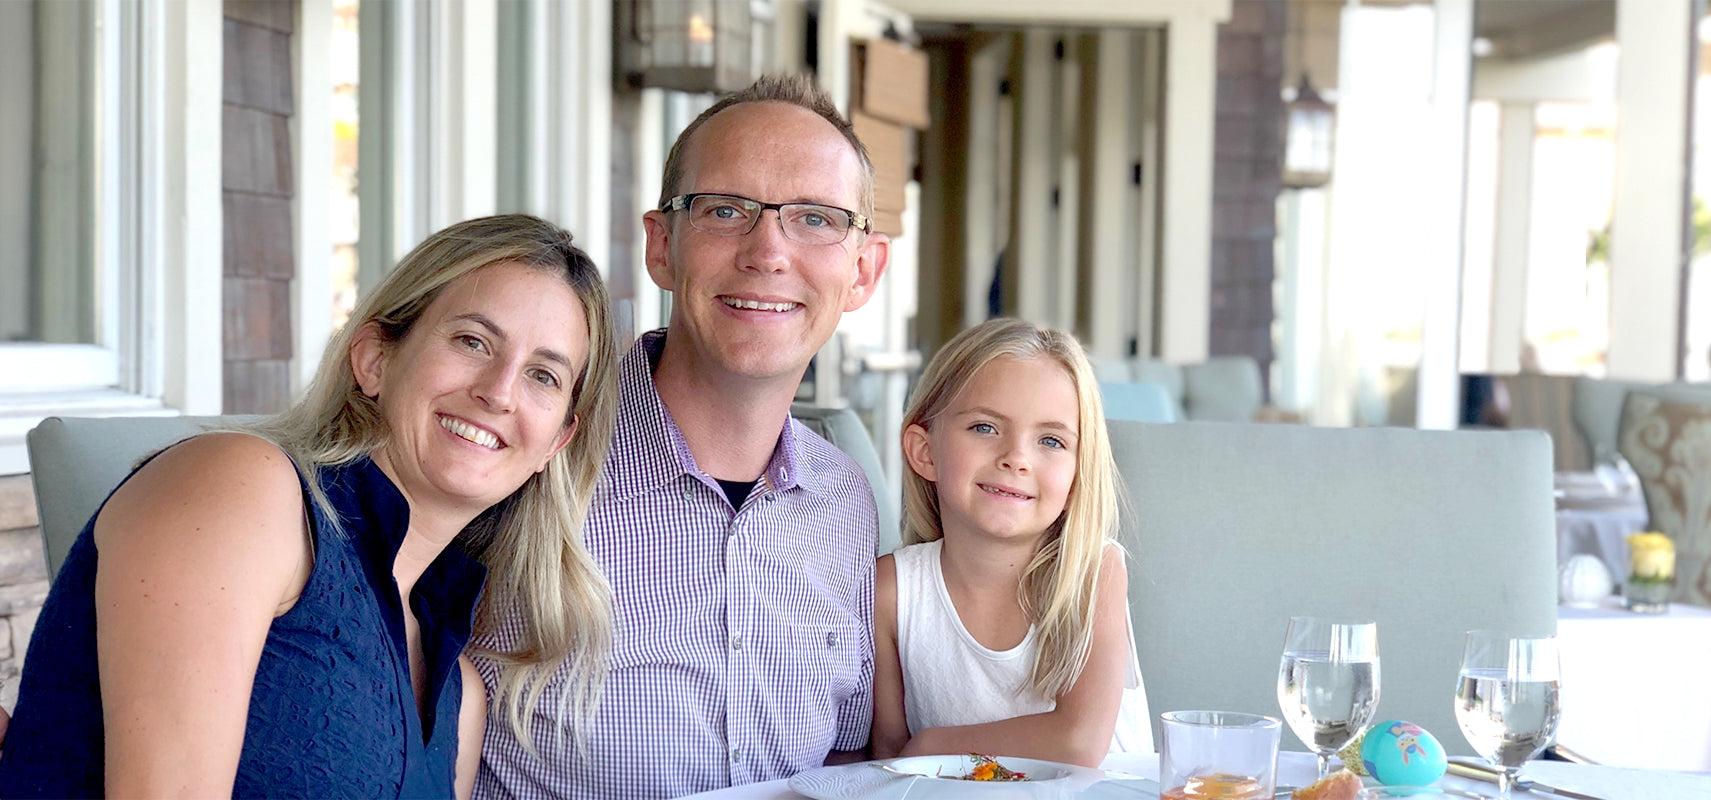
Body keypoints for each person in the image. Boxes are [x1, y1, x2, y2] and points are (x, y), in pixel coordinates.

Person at [0, 215, 617, 799]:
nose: (500, 391)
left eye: (544, 376)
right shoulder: (242, 490)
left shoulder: (460, 696)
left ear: (556, 442)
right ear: (374, 358)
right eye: (472, 341)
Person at [476, 74, 889, 799]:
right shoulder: (522, 455)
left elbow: (844, 759)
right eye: (724, 210)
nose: (767, 252)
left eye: (816, 218)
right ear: (662, 245)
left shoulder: (844, 501)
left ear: (863, 270)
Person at [871, 318, 1151, 768]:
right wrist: (912, 755)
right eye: (985, 428)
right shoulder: (892, 589)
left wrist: (928, 745)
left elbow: (1078, 741)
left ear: (1079, 471)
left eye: (1051, 440)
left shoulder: (1094, 571)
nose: (1016, 458)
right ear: (925, 451)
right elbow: (887, 760)